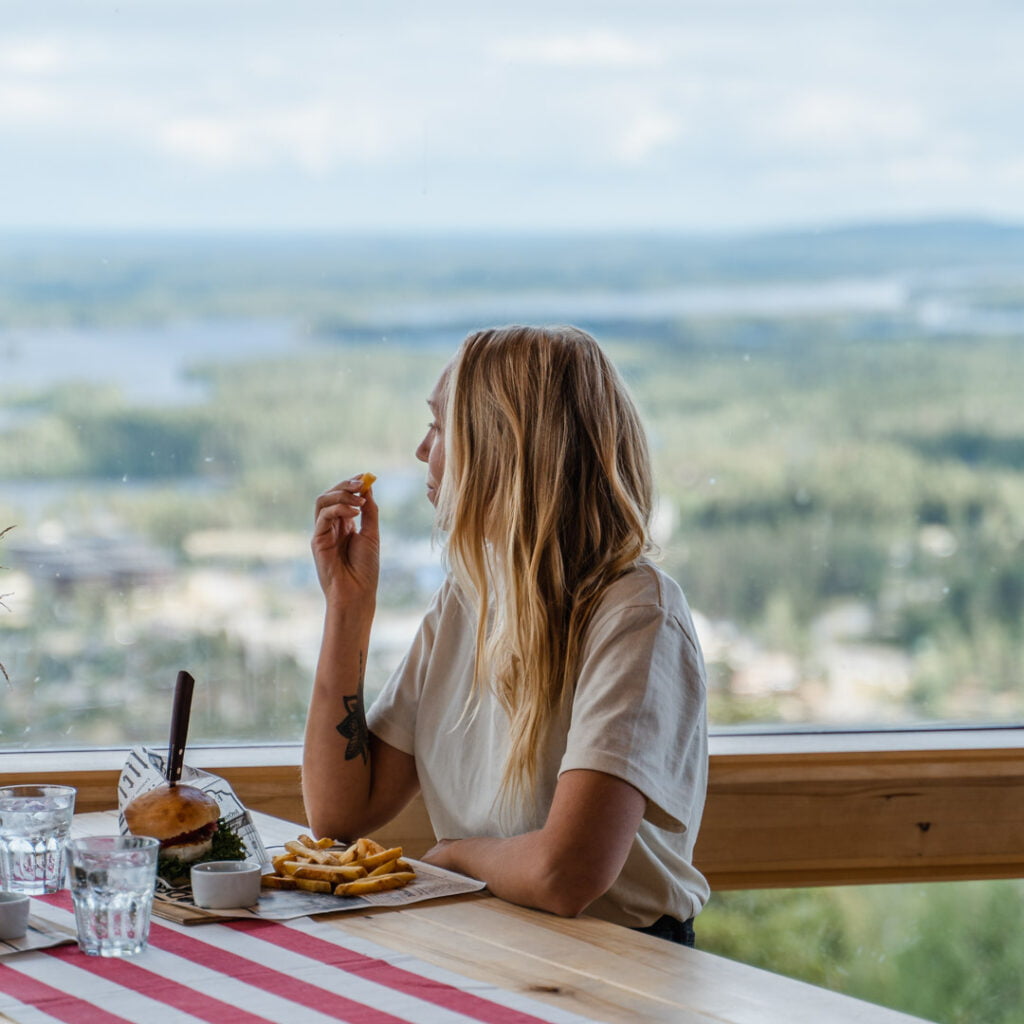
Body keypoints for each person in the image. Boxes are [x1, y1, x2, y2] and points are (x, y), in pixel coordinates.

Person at [302, 324, 709, 944]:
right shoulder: (470, 598)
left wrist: (454, 859)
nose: (421, 450)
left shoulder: (637, 615)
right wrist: (348, 608)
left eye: (440, 428)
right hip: (490, 944)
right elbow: (340, 813)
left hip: (618, 967)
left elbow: (564, 875)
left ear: (501, 447)